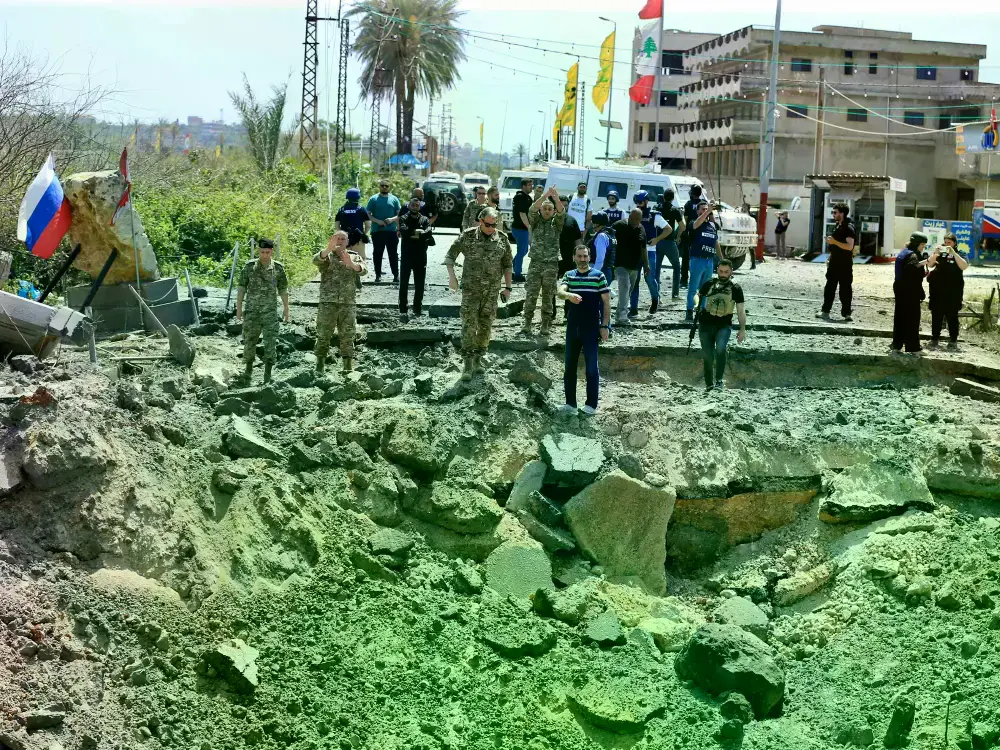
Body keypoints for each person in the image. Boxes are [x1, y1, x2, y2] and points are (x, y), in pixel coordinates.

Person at [445, 207, 514, 380]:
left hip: (491, 293)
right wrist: (452, 278)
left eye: (494, 224)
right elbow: (450, 257)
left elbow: (507, 265)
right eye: (488, 224)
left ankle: (478, 360)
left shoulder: (503, 239)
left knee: (486, 326)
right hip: (471, 291)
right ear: (480, 221)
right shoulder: (467, 236)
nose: (491, 228)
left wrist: (508, 287)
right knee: (469, 325)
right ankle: (467, 363)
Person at [558, 243, 611, 415]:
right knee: (569, 366)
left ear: (589, 257)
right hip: (573, 327)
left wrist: (605, 326)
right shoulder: (569, 275)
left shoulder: (598, 276)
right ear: (574, 257)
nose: (582, 259)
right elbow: (560, 291)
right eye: (579, 256)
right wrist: (569, 295)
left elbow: (606, 303)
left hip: (591, 327)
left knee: (591, 368)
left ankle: (591, 405)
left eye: (585, 256)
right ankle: (570, 404)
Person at [236, 238, 290, 384]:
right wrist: (239, 308)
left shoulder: (278, 268)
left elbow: (283, 289)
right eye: (261, 252)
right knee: (249, 341)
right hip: (252, 311)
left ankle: (267, 374)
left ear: (271, 251)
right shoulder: (249, 267)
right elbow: (241, 287)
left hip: (270, 312)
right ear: (257, 251)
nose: (264, 255)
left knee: (270, 342)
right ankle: (248, 371)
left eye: (267, 252)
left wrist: (286, 309)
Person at [313, 230, 366, 374]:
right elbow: (315, 260)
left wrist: (351, 265)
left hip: (347, 303)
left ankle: (347, 367)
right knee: (323, 334)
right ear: (332, 240)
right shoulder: (326, 256)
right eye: (338, 238)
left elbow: (363, 270)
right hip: (327, 303)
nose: (341, 241)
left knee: (348, 335)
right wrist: (328, 249)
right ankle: (320, 365)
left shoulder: (354, 257)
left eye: (343, 239)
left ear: (348, 242)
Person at [694, 258, 746, 390]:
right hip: (705, 324)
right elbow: (697, 295)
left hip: (724, 324)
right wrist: (696, 304)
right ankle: (709, 384)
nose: (723, 274)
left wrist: (742, 329)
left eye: (726, 272)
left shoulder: (736, 288)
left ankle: (719, 381)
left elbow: (740, 311)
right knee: (707, 355)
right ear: (717, 270)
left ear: (731, 272)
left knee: (720, 349)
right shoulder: (709, 283)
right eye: (721, 271)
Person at [521, 187, 566, 336]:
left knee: (548, 295)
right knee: (531, 294)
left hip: (551, 264)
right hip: (536, 263)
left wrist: (556, 198)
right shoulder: (535, 221)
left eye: (549, 209)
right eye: (545, 208)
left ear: (553, 211)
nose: (547, 211)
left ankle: (545, 324)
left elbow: (561, 211)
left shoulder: (557, 224)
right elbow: (532, 209)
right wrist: (546, 195)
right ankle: (527, 323)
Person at [890, 231, 930, 356]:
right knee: (912, 320)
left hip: (900, 289)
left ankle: (897, 345)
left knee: (900, 318)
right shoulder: (912, 255)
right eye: (922, 245)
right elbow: (912, 268)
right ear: (918, 244)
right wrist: (927, 261)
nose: (923, 248)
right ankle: (913, 348)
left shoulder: (904, 252)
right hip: (909, 291)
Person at [927, 232, 968, 349]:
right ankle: (934, 339)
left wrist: (953, 253)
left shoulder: (960, 253)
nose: (946, 244)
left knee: (952, 316)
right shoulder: (940, 253)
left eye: (949, 242)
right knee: (936, 315)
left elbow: (964, 266)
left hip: (953, 291)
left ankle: (953, 340)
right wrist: (935, 254)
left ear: (954, 243)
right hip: (938, 290)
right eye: (945, 242)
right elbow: (930, 265)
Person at [818, 203, 857, 322]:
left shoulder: (848, 228)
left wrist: (834, 242)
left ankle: (846, 313)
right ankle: (825, 311)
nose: (833, 215)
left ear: (842, 213)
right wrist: (830, 257)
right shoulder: (838, 226)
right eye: (833, 212)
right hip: (834, 262)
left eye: (835, 212)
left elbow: (849, 247)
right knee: (830, 287)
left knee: (845, 289)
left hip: (844, 264)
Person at [686, 200, 722, 321]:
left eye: (706, 208)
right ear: (697, 211)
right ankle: (689, 311)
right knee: (693, 288)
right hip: (697, 260)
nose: (704, 211)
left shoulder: (711, 226)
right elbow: (696, 225)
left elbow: (716, 243)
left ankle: (701, 311)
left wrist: (722, 259)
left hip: (709, 261)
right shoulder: (694, 223)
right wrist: (708, 211)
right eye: (702, 209)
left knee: (705, 288)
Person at [398, 197, 433, 321]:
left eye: (417, 206)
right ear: (409, 206)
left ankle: (417, 309)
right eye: (413, 205)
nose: (415, 208)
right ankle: (403, 309)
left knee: (419, 285)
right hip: (407, 256)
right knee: (404, 284)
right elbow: (403, 231)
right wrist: (418, 232)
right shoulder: (403, 218)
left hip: (420, 256)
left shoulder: (424, 219)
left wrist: (422, 233)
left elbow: (429, 231)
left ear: (419, 207)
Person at [612, 209, 648, 325]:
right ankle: (622, 315)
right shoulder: (619, 226)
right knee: (625, 287)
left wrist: (647, 265)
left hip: (635, 266)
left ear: (640, 219)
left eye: (637, 219)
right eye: (632, 218)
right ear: (629, 216)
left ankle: (619, 313)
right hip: (620, 264)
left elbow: (644, 248)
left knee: (627, 291)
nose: (634, 221)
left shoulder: (641, 229)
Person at [631, 190, 663, 315]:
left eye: (640, 202)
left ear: (646, 201)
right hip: (635, 252)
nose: (638, 204)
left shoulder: (655, 215)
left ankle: (655, 299)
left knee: (649, 278)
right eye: (637, 202)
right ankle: (633, 308)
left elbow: (668, 229)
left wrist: (657, 239)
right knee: (634, 280)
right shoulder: (633, 215)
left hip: (649, 252)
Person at [365, 179, 401, 284]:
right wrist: (377, 221)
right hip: (377, 231)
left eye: (386, 186)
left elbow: (399, 215)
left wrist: (393, 221)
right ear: (379, 187)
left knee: (393, 254)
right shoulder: (373, 199)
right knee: (377, 253)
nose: (384, 187)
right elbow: (368, 214)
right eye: (382, 185)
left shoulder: (394, 199)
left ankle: (396, 276)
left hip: (391, 231)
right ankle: (378, 275)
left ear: (389, 187)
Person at [337, 187, 371, 290]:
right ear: (358, 197)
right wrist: (363, 234)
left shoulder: (341, 209)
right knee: (360, 258)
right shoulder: (361, 209)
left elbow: (337, 226)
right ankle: (357, 276)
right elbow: (368, 224)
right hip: (358, 238)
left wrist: (341, 238)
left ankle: (347, 280)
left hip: (344, 239)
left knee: (344, 258)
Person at [655, 189, 685, 301]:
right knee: (677, 267)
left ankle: (656, 295)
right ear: (673, 198)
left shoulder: (657, 209)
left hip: (658, 241)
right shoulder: (675, 211)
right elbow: (683, 227)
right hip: (669, 241)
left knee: (656, 269)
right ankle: (675, 294)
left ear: (663, 197)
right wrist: (678, 236)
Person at [679, 183, 704, 288]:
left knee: (685, 258)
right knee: (700, 258)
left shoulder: (688, 204)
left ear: (692, 193)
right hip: (701, 234)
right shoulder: (704, 204)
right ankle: (699, 281)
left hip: (689, 234)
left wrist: (680, 234)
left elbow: (685, 220)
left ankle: (684, 281)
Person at [510, 178, 534, 282]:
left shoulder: (527, 197)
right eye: (529, 185)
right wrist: (529, 227)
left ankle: (513, 267)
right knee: (521, 251)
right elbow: (522, 214)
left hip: (522, 228)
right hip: (520, 228)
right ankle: (517, 275)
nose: (531, 187)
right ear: (523, 186)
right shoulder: (520, 197)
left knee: (524, 251)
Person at [589, 212, 616, 284]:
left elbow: (600, 259)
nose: (593, 224)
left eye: (594, 223)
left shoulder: (601, 236)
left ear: (597, 223)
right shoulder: (610, 234)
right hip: (608, 270)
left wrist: (593, 275)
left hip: (601, 270)